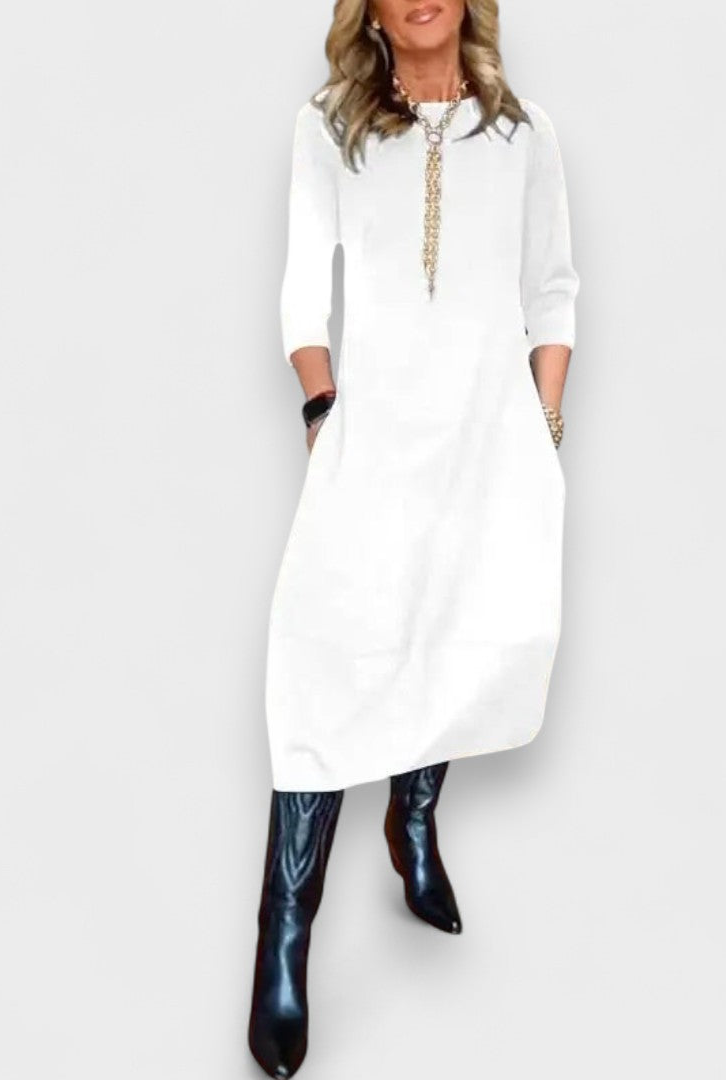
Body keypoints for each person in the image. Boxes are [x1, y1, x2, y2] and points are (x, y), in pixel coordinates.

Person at [249, 1, 580, 1075]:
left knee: (452, 629)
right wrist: (321, 406)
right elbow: (305, 290)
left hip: (487, 441)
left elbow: (552, 291)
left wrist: (542, 428)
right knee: (324, 663)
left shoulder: (523, 133)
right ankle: (284, 937)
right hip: (377, 439)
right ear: (373, 12)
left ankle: (414, 824)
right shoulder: (331, 125)